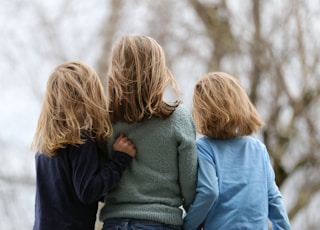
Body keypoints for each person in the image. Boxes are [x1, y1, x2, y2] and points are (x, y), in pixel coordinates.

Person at [99, 35, 198, 230]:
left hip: (115, 223)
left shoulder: (104, 120)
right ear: (158, 71)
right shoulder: (178, 118)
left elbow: (100, 179)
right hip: (162, 222)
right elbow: (190, 185)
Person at [31, 61, 136, 230]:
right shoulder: (81, 139)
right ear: (89, 95)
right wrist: (119, 160)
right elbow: (87, 191)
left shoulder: (44, 146)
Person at [183, 72, 291, 230]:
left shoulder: (205, 148)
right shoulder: (258, 149)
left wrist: (186, 226)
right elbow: (274, 199)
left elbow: (209, 192)